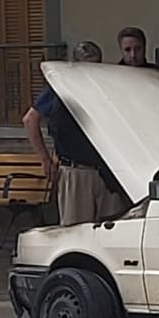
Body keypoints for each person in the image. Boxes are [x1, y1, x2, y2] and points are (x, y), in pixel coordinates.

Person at [22, 41, 127, 227]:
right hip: (76, 170)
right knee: (75, 231)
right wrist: (45, 159)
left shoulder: (104, 87)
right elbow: (30, 120)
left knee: (112, 229)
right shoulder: (59, 88)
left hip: (107, 170)